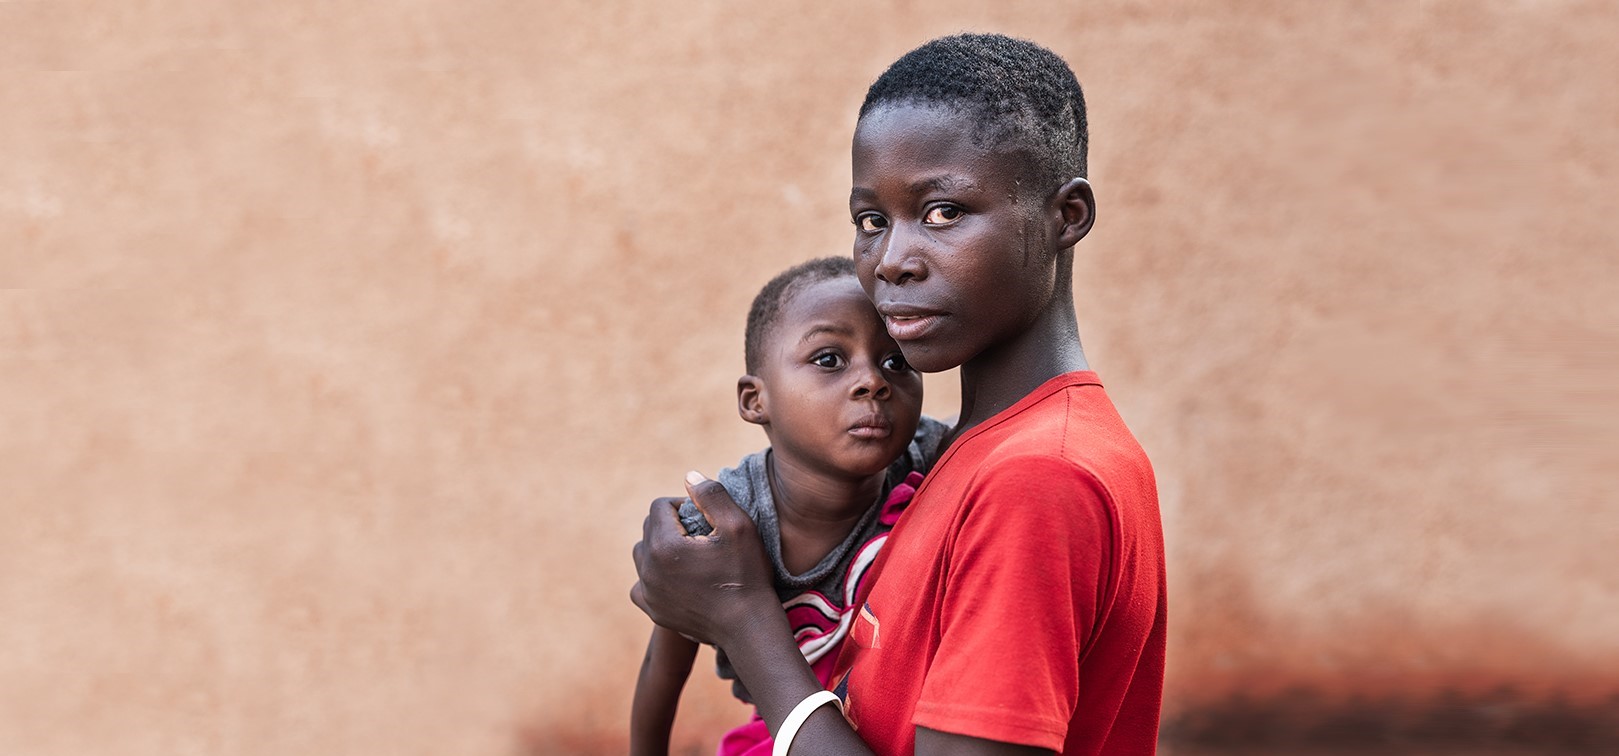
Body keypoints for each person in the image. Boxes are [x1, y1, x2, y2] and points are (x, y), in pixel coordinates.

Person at [632, 33, 1166, 756]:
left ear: (1064, 216)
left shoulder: (1037, 477)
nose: (891, 261)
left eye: (942, 212)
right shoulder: (941, 458)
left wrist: (743, 619)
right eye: (870, 221)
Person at [629, 256, 948, 756]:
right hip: (787, 734)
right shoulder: (716, 531)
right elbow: (664, 670)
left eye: (896, 361)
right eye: (829, 360)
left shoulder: (936, 459)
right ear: (756, 401)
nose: (873, 381)